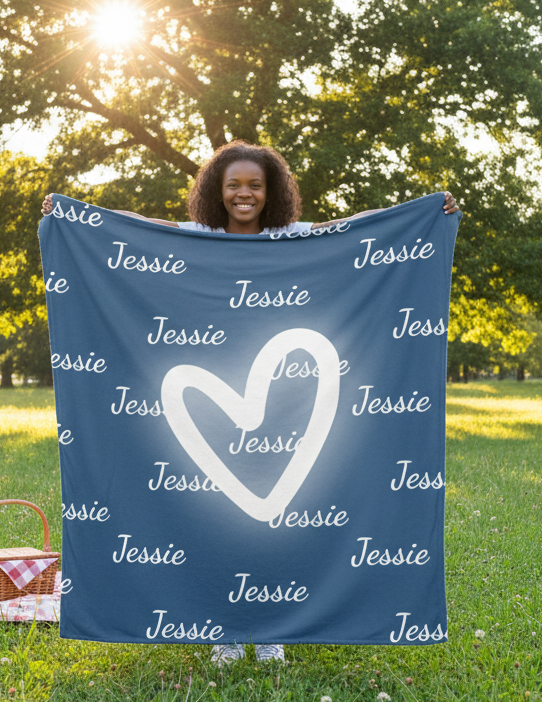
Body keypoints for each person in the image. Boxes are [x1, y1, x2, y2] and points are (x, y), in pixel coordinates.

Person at [42, 140, 459, 665]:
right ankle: (222, 630)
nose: (245, 194)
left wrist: (422, 212)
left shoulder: (292, 238)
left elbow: (357, 228)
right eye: (234, 184)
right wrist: (73, 216)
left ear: (271, 192)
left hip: (286, 398)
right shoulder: (199, 238)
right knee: (211, 523)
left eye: (255, 185)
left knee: (279, 527)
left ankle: (273, 631)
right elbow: (140, 226)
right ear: (217, 191)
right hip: (208, 397)